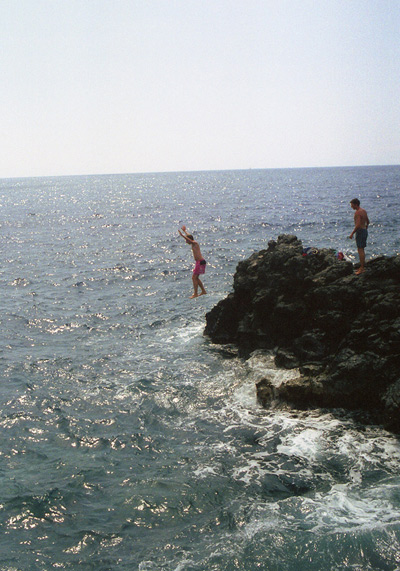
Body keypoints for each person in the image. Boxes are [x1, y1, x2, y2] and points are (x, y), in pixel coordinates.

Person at [178, 226, 207, 298]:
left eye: (186, 240)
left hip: (200, 262)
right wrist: (185, 231)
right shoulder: (193, 243)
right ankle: (203, 291)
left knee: (194, 277)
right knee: (195, 277)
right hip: (199, 262)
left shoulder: (195, 243)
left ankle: (195, 294)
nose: (186, 242)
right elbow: (190, 237)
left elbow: (190, 239)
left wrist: (182, 235)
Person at [349, 198, 370, 275]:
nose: (351, 207)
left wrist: (352, 233)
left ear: (356, 204)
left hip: (360, 231)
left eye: (352, 205)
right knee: (362, 249)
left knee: (360, 250)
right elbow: (368, 221)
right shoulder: (363, 211)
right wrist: (366, 227)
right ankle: (362, 267)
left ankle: (362, 268)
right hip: (364, 230)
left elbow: (357, 225)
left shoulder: (357, 213)